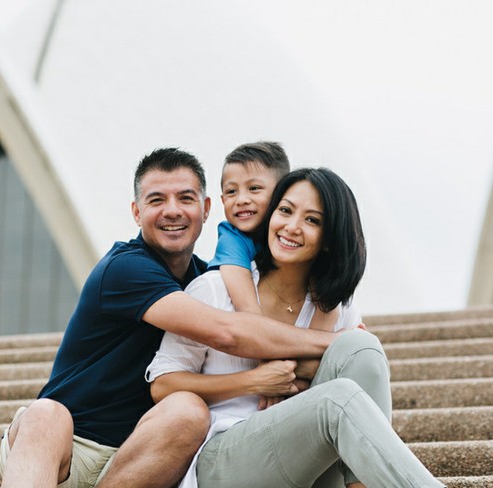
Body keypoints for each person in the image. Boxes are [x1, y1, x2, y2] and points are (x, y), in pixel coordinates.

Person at [0, 149, 346, 488]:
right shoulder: (124, 268)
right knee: (46, 414)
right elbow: (227, 332)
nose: (172, 211)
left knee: (189, 411)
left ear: (206, 208)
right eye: (156, 200)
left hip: (144, 455)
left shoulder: (207, 281)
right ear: (136, 212)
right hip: (70, 450)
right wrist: (338, 343)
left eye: (185, 198)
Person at [147, 167, 444, 487]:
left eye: (312, 220)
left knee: (363, 346)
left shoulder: (337, 309)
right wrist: (253, 381)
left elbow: (356, 365)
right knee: (337, 397)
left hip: (304, 461)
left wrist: (298, 368)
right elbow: (163, 385)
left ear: (329, 240)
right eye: (285, 211)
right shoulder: (215, 289)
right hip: (224, 458)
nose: (292, 227)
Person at [208, 141, 290, 314]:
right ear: (222, 200)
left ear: (282, 194)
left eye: (254, 188)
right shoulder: (232, 238)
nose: (241, 200)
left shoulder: (291, 233)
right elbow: (248, 310)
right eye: (231, 191)